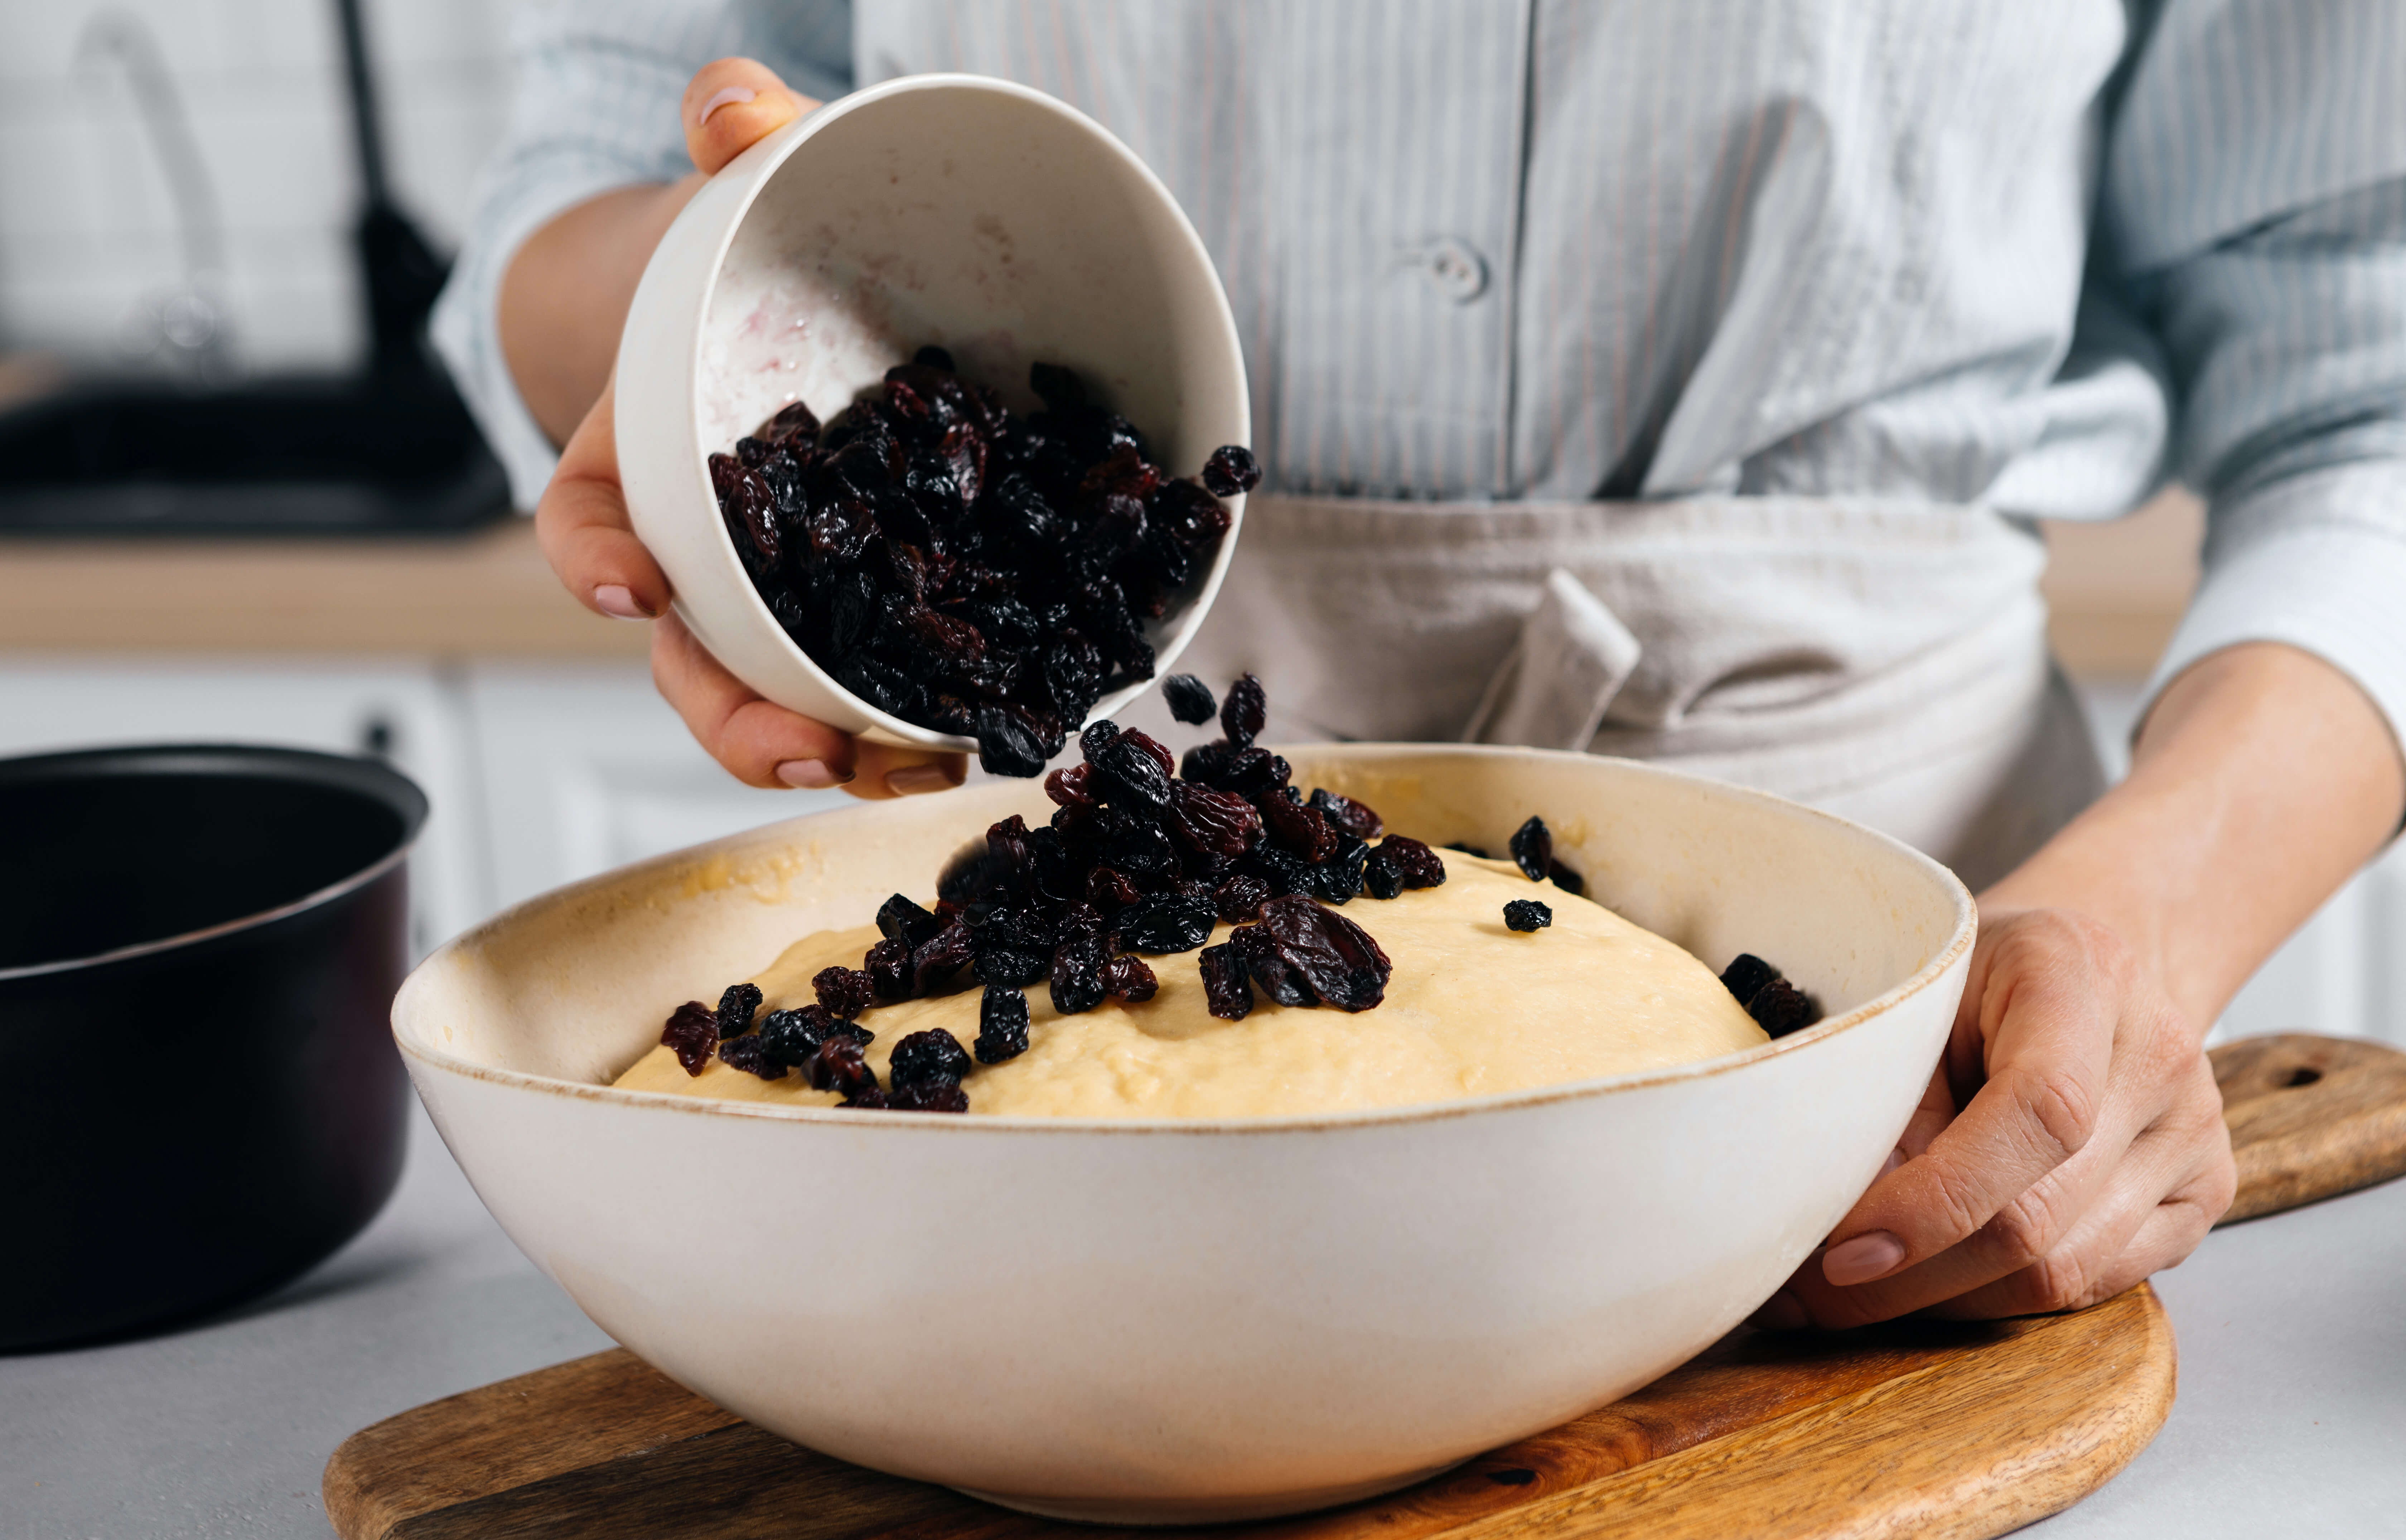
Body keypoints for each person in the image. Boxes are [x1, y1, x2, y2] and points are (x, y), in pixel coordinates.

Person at [432, 2, 2406, 1328]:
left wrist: (2135, 932)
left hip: (1896, 1037)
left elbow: (2369, 392)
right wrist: (730, 326)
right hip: (1040, 959)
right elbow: (571, 189)